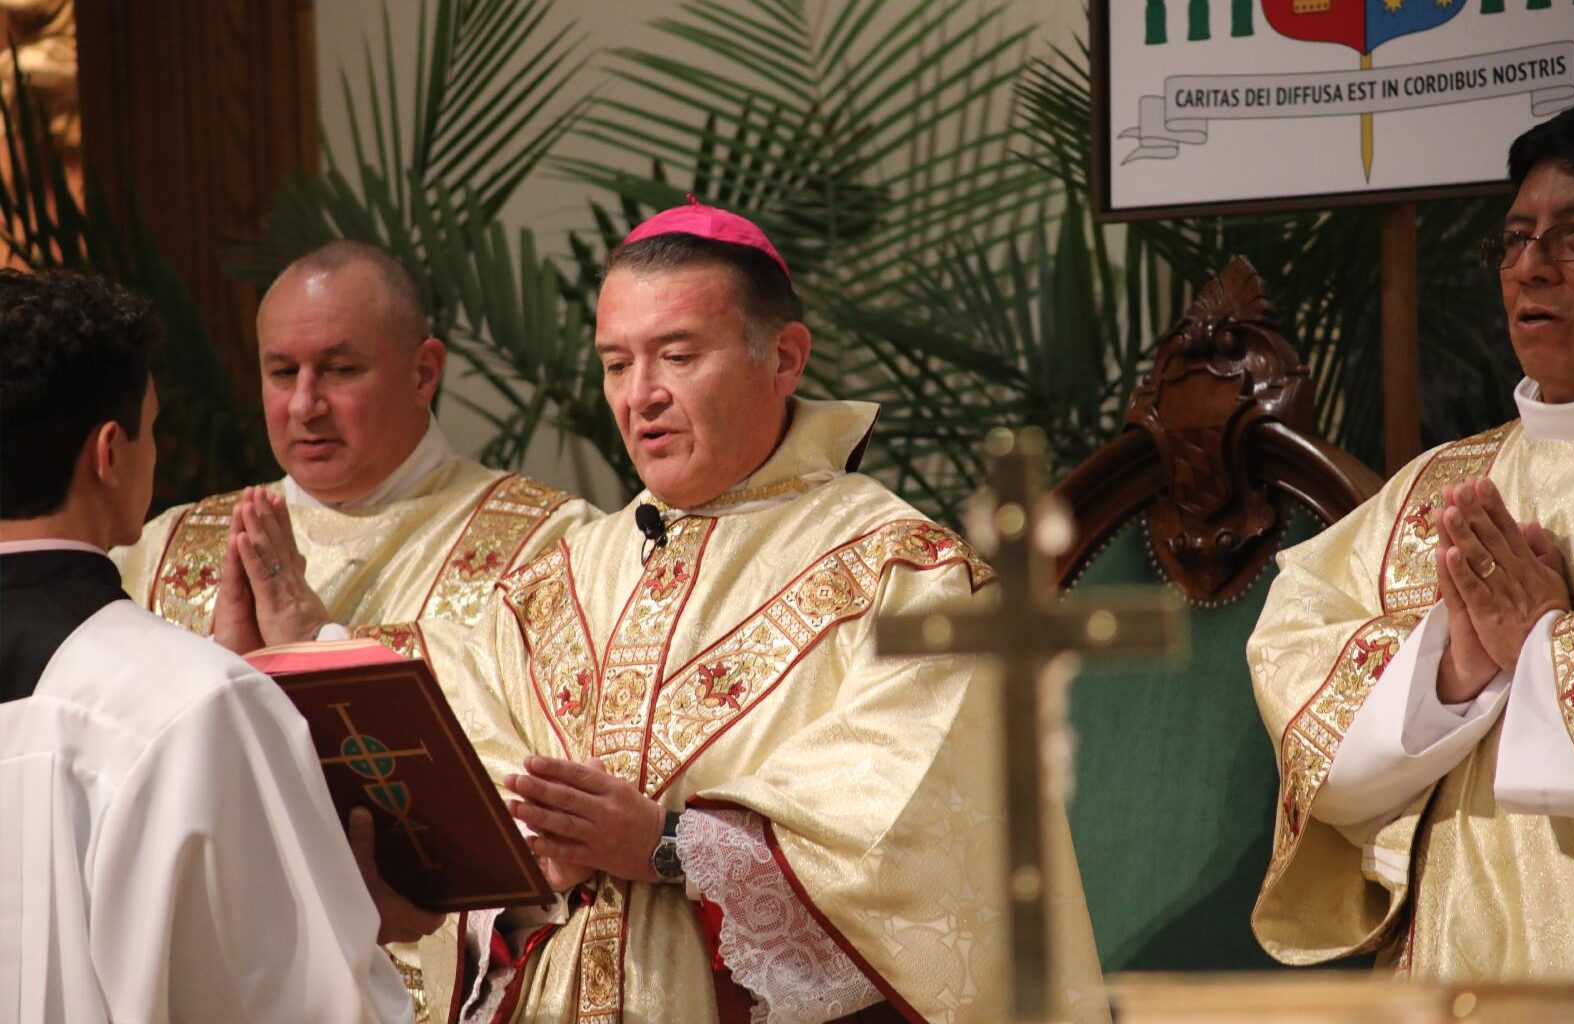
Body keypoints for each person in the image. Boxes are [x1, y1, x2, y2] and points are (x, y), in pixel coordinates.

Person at [406, 203, 1108, 1022]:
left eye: (678, 356)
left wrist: (665, 846)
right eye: (615, 364)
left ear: (784, 359)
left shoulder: (907, 575)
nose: (641, 396)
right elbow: (465, 806)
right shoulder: (549, 586)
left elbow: (915, 852)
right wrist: (528, 862)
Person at [0, 268, 433, 1022]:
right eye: (153, 428)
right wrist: (347, 908)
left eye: (338, 369)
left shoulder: (193, 694)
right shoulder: (193, 702)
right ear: (110, 453)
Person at [1249, 102, 1574, 979]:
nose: (1531, 267)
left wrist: (1547, 653)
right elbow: (1295, 671)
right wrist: (1450, 670)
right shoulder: (1434, 491)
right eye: (1514, 240)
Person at [113, 240, 597, 656]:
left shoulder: (549, 545)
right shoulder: (161, 553)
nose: (304, 405)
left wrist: (318, 640)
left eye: (340, 370)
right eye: (283, 373)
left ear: (423, 373)